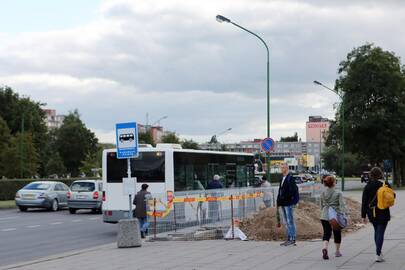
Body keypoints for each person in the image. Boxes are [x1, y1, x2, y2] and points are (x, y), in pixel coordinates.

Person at [362, 167, 392, 262]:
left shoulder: (368, 186)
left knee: (377, 231)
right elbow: (393, 196)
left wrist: (363, 215)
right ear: (380, 174)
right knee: (380, 232)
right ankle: (378, 253)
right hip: (383, 211)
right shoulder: (385, 184)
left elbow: (364, 202)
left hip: (371, 212)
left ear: (371, 175)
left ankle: (379, 252)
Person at [320, 175, 346, 260]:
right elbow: (342, 206)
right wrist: (344, 214)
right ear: (334, 182)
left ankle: (325, 248)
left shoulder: (323, 193)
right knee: (337, 232)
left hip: (324, 215)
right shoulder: (338, 193)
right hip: (335, 216)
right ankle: (337, 252)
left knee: (326, 233)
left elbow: (321, 206)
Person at [277, 162, 299, 246]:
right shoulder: (282, 178)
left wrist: (285, 198)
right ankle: (289, 238)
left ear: (287, 168)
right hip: (283, 203)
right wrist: (278, 200)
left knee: (290, 221)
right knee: (286, 221)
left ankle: (292, 238)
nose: (281, 169)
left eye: (283, 167)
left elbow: (292, 191)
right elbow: (280, 190)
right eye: (281, 167)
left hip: (288, 203)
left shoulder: (290, 178)